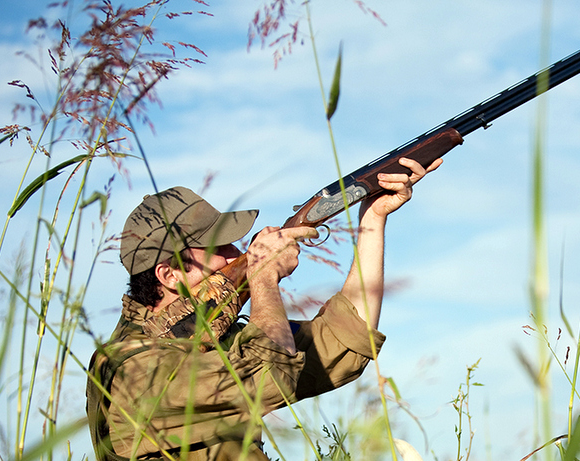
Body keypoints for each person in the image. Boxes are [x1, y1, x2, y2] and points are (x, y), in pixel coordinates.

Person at [86, 157, 442, 460]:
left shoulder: (216, 340)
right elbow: (271, 378)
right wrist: (263, 278)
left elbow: (346, 341)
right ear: (170, 274)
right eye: (217, 246)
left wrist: (372, 219)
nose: (234, 253)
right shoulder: (130, 368)